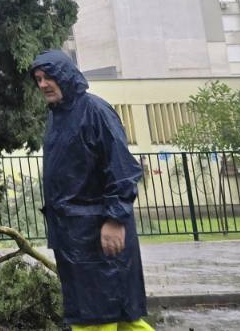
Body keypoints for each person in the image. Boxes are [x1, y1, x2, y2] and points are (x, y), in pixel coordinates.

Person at [31, 50, 153, 331]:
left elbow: (121, 169)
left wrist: (114, 219)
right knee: (119, 318)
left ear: (65, 75)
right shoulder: (57, 118)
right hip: (75, 235)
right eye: (38, 79)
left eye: (49, 76)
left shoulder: (95, 111)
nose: (43, 84)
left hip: (98, 232)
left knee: (98, 318)